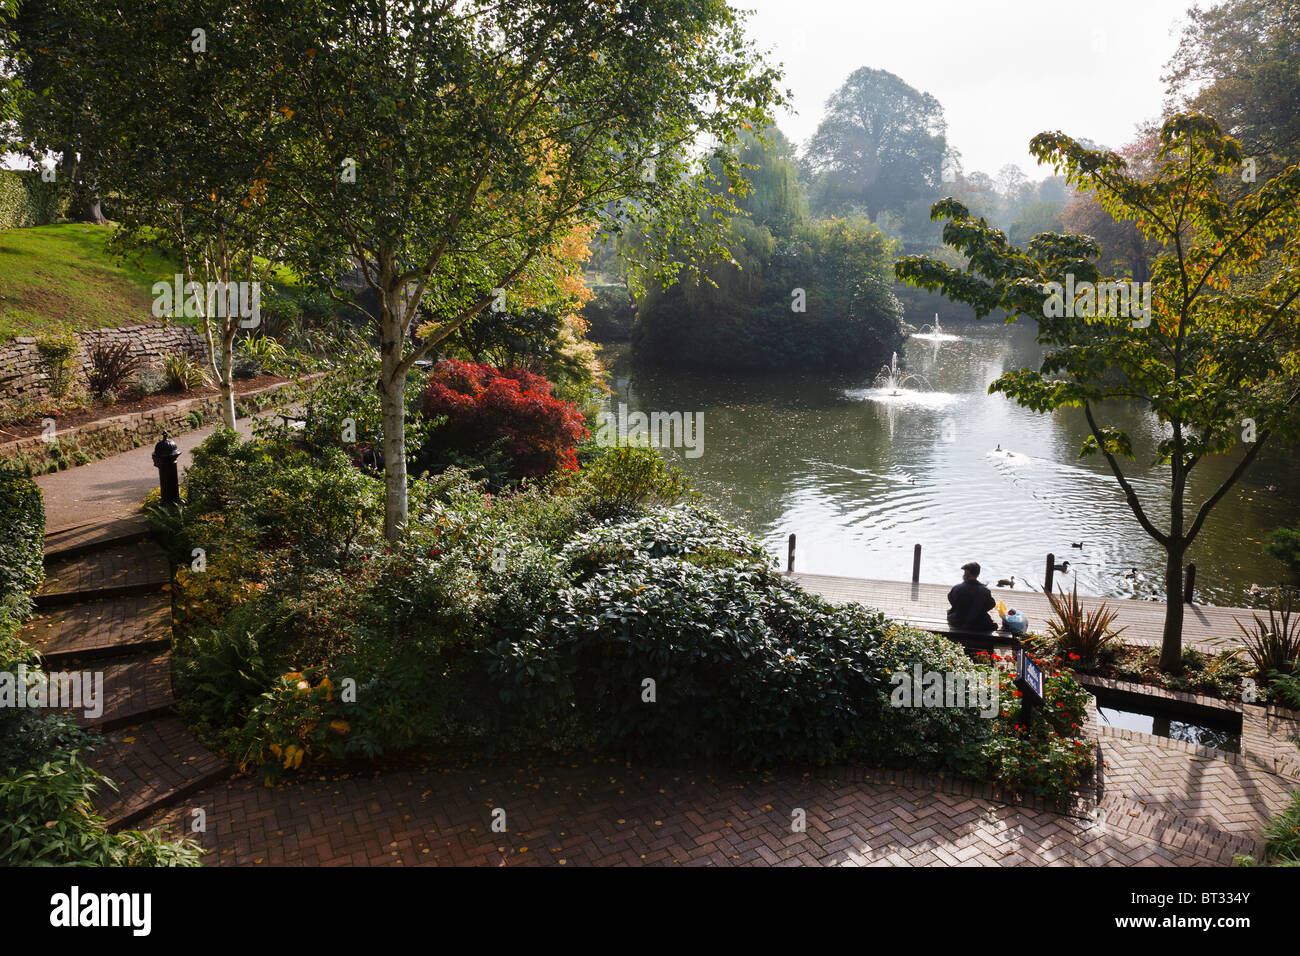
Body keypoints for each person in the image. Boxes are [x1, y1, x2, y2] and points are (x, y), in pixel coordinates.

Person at [947, 562, 997, 631]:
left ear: (967, 572)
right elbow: (991, 604)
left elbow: (951, 599)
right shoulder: (985, 591)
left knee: (950, 612)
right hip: (978, 623)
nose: (963, 574)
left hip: (958, 622)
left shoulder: (957, 588)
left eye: (964, 572)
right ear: (977, 574)